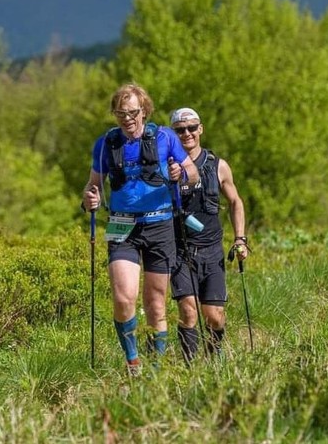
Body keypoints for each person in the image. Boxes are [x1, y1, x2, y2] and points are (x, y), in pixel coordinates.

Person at [82, 84, 199, 375]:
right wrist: (89, 198)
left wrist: (180, 173)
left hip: (159, 224)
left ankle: (156, 369)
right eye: (121, 113)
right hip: (122, 227)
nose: (127, 119)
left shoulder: (165, 138)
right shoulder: (106, 144)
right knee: (123, 298)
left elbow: (193, 173)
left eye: (133, 112)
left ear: (144, 110)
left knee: (155, 303)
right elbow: (92, 185)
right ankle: (133, 361)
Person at [168, 107, 249, 362]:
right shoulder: (166, 168)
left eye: (192, 128)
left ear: (200, 129)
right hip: (180, 251)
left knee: (214, 316)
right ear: (173, 134)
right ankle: (189, 369)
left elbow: (236, 202)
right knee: (189, 311)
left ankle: (214, 361)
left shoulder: (218, 166)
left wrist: (240, 239)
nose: (187, 134)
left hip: (212, 251)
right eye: (180, 130)